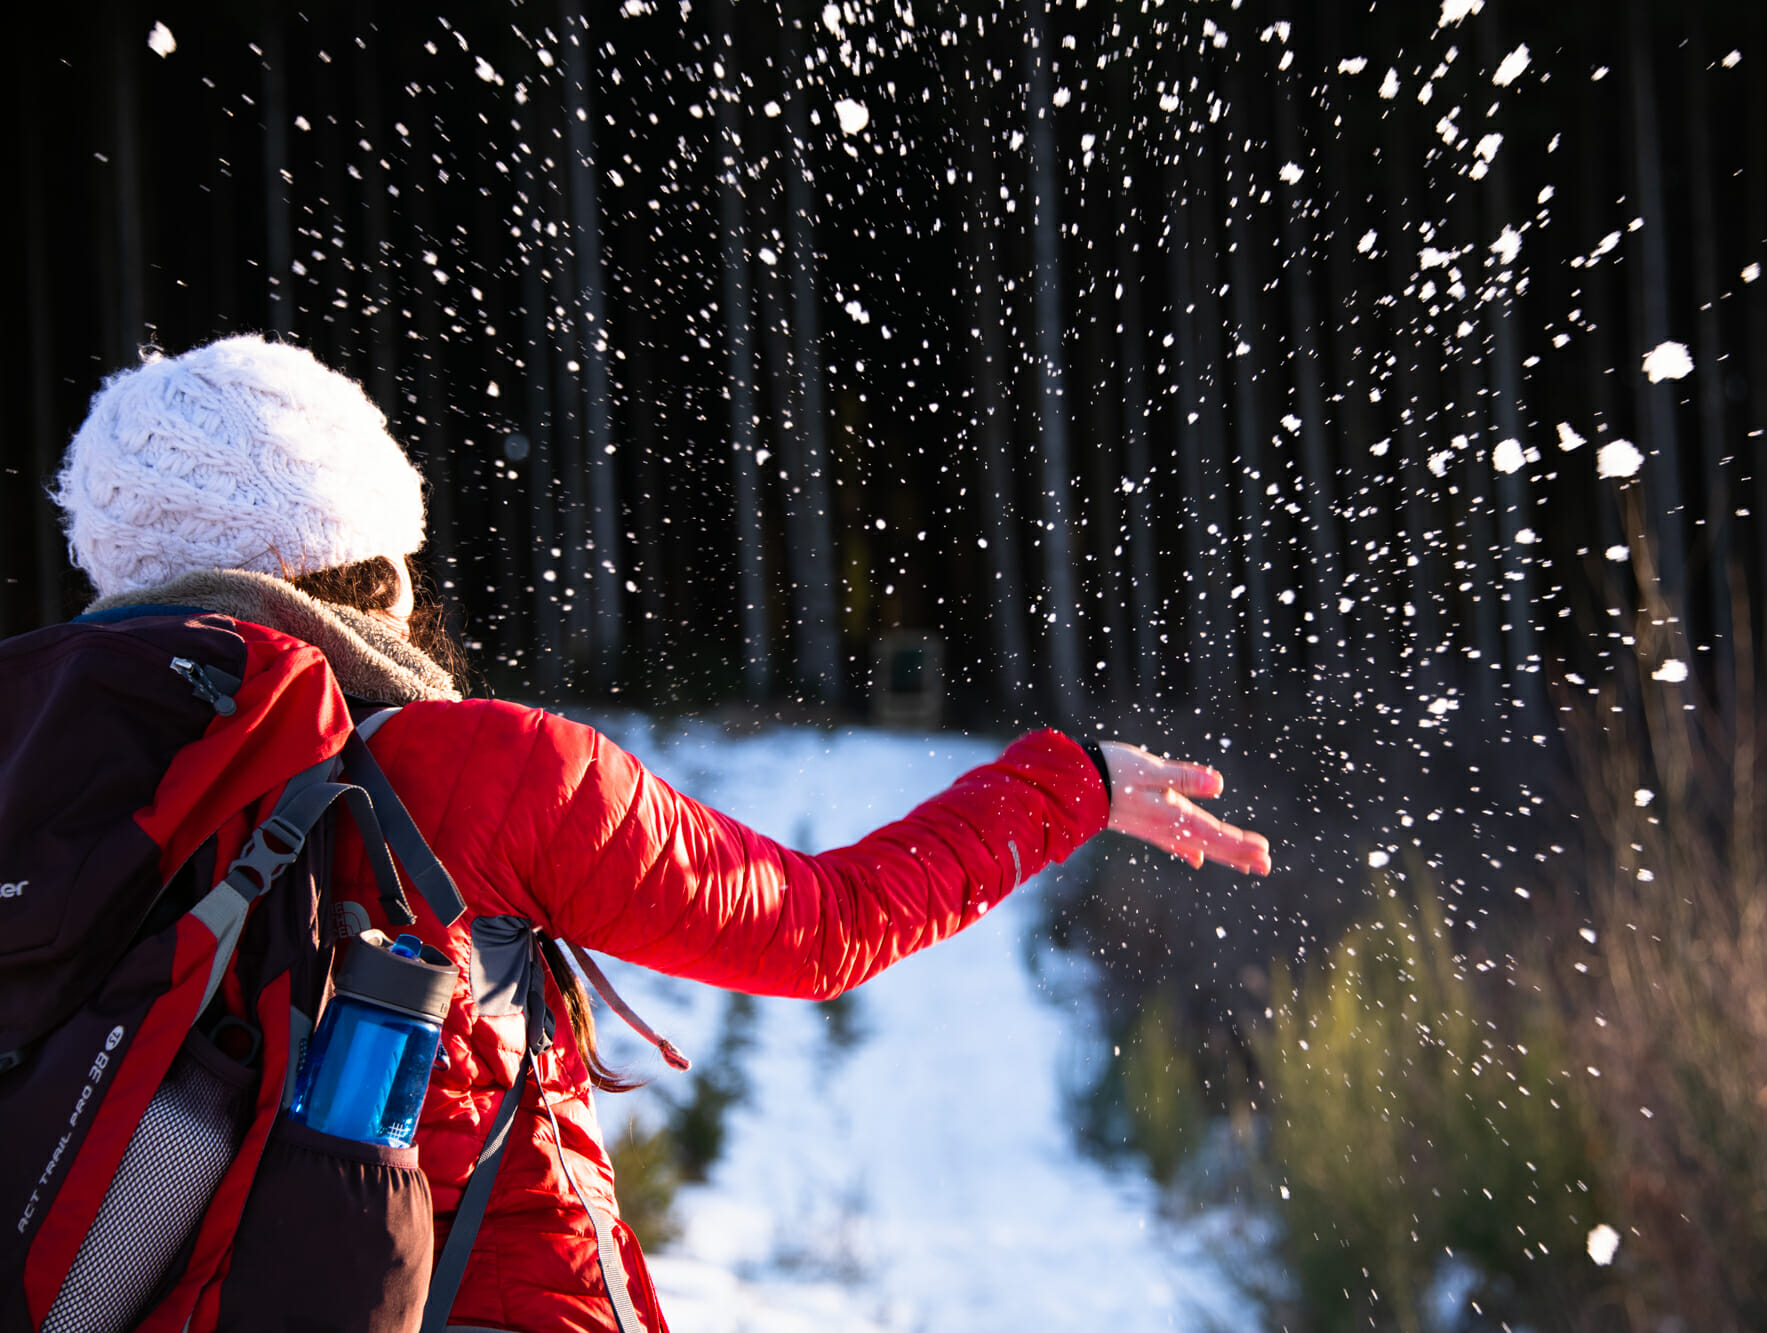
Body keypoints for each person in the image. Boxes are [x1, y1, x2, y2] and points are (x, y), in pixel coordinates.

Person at [50, 334, 1270, 1333]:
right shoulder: (477, 766)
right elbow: (815, 925)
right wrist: (1071, 786)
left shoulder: (46, 791)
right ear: (368, 558)